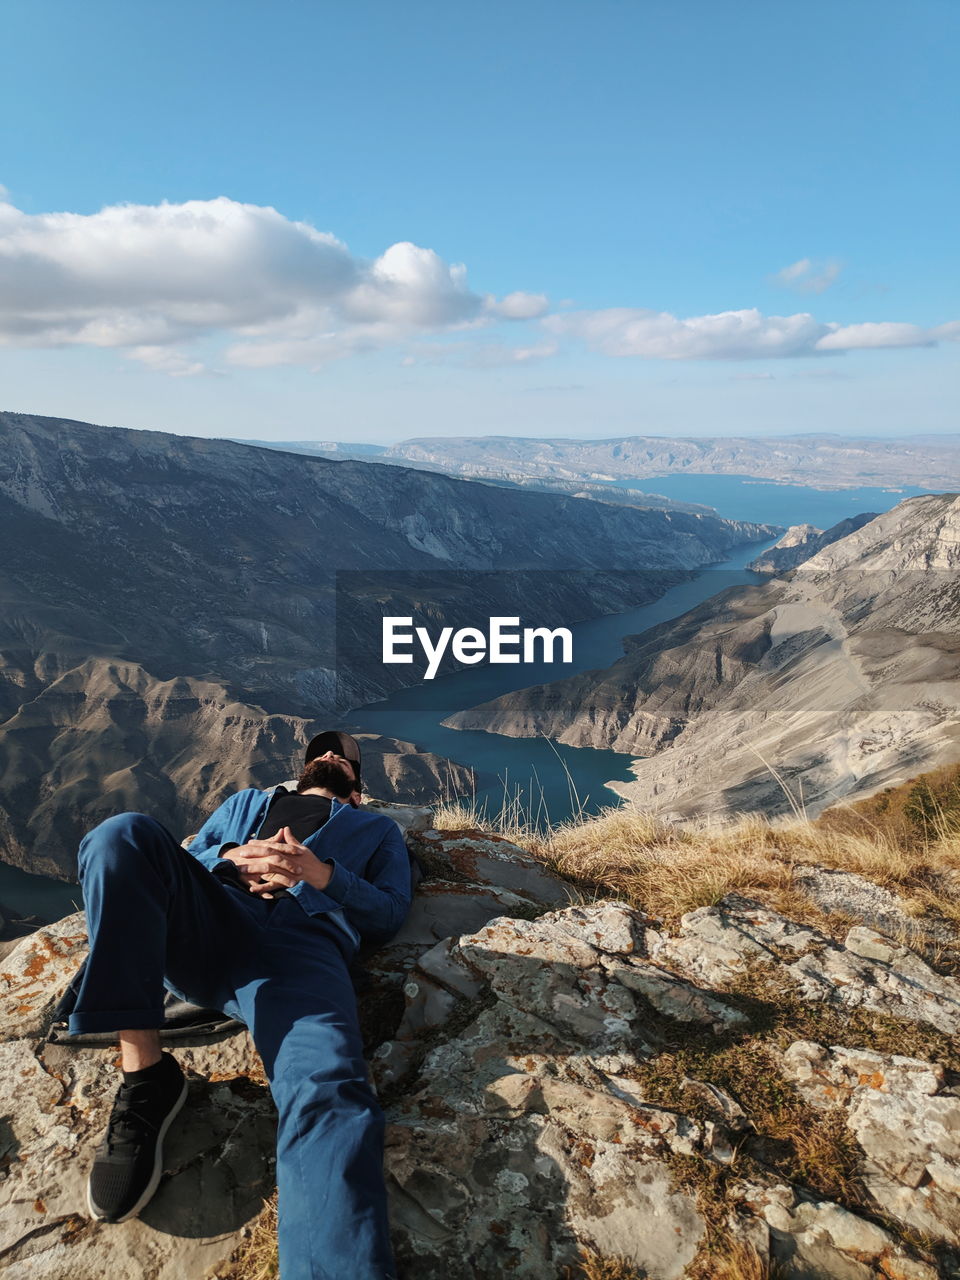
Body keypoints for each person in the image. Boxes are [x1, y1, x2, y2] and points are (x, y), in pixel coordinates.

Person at [70, 730, 411, 1280]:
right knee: (120, 834)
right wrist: (231, 856)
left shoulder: (377, 830)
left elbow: (390, 911)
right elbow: (185, 856)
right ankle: (146, 1076)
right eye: (320, 749)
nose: (329, 754)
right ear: (302, 768)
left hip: (301, 945)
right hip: (213, 915)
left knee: (328, 1089)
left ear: (357, 787)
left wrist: (318, 874)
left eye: (343, 756)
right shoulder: (248, 802)